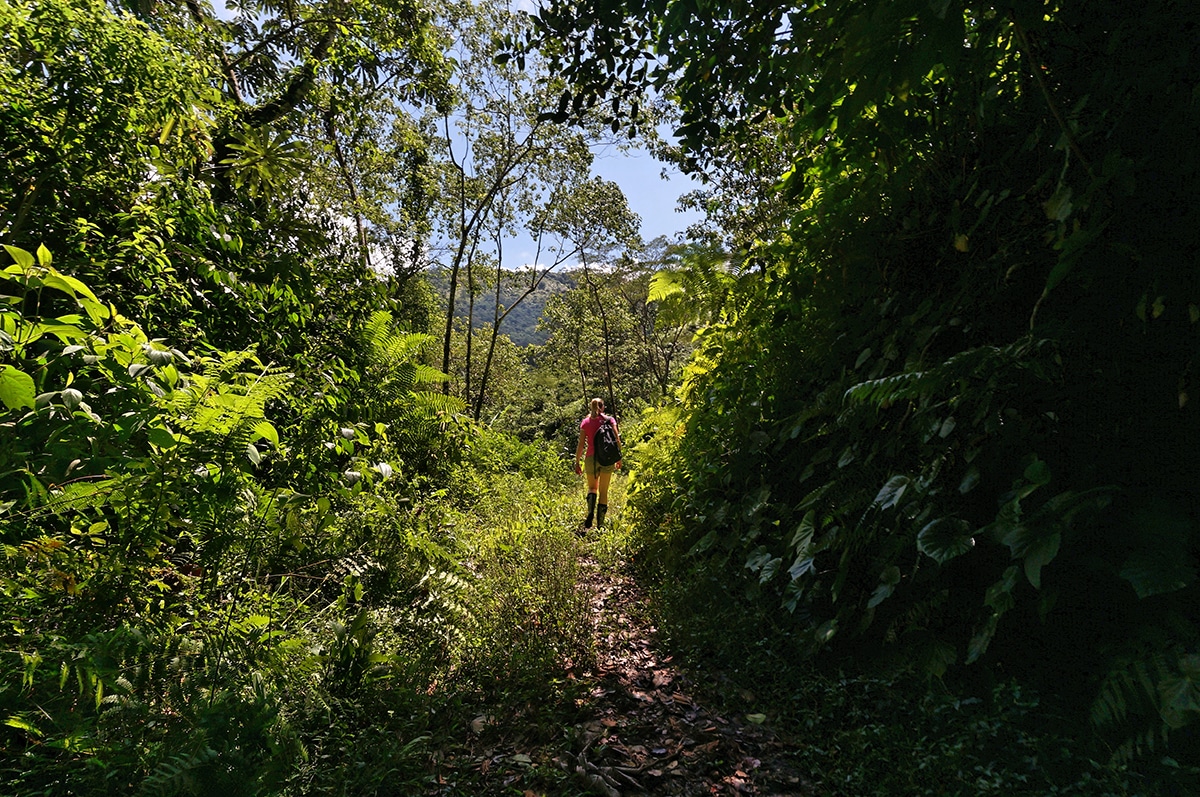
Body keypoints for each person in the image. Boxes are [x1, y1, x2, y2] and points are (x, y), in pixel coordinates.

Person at [574, 397, 622, 528]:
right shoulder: (609, 420)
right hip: (606, 459)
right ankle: (600, 525)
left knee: (592, 488)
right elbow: (616, 439)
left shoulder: (586, 422)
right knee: (604, 491)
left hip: (591, 459)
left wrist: (577, 461)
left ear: (591, 407)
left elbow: (581, 445)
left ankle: (590, 513)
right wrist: (619, 457)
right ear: (603, 407)